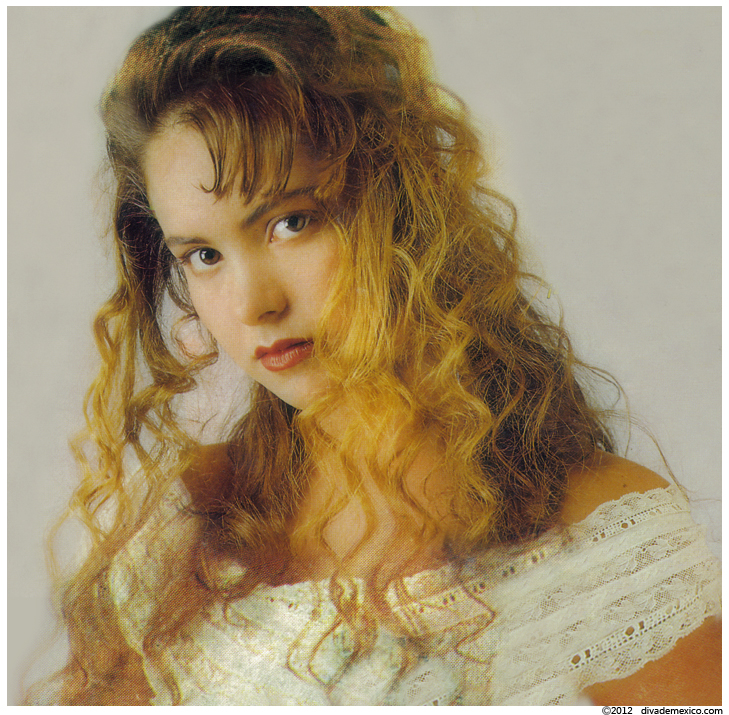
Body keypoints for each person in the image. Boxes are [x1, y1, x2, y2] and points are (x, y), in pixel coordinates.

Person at [24, 7, 719, 706]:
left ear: (401, 207)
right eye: (204, 255)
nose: (253, 303)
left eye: (291, 222)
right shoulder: (190, 528)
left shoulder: (607, 545)